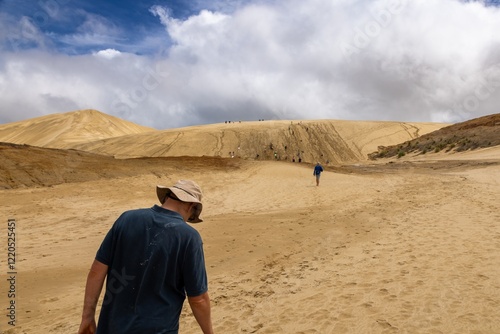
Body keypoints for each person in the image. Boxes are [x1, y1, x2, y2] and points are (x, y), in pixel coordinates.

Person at [77, 180, 214, 334]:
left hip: (111, 327)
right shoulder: (189, 237)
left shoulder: (126, 219)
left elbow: (97, 271)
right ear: (191, 206)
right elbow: (198, 299)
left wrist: (87, 317)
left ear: (167, 197)